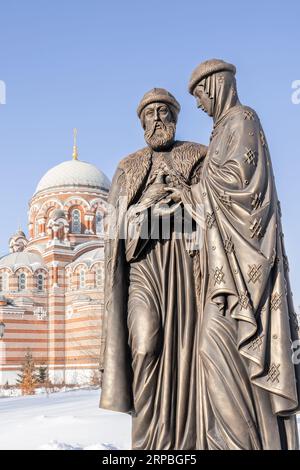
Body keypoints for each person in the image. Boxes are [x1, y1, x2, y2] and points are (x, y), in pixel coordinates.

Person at [166, 59, 300, 449]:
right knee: (214, 353)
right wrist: (187, 194)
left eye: (199, 95)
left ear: (214, 86)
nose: (197, 105)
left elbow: (242, 188)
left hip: (246, 266)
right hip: (223, 269)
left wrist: (194, 186)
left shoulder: (242, 120)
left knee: (219, 347)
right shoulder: (221, 131)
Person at [99, 88, 207, 449]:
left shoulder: (197, 157)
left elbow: (216, 215)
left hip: (187, 269)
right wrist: (146, 208)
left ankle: (186, 443)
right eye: (150, 113)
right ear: (141, 121)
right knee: (144, 344)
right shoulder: (128, 168)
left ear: (176, 117)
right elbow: (115, 233)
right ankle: (146, 444)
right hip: (143, 269)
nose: (158, 118)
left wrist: (182, 201)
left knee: (188, 354)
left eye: (165, 111)